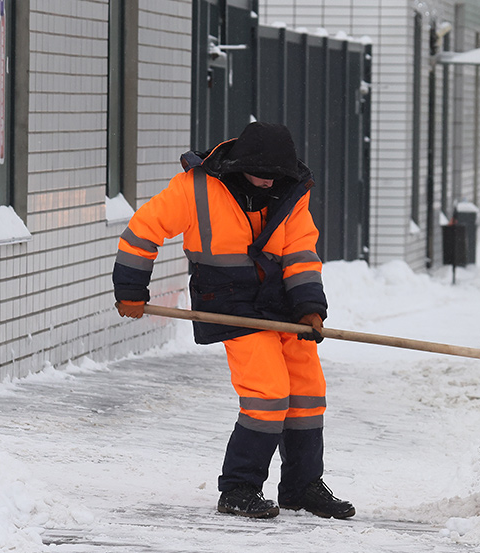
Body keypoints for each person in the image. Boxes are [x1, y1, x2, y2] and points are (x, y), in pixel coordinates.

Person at [112, 122, 355, 520]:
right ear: (242, 165)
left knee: (307, 390)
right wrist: (130, 290)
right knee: (267, 391)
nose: (269, 182)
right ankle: (239, 487)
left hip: (280, 301)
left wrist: (310, 306)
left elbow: (300, 253)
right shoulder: (195, 188)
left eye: (276, 175)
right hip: (228, 301)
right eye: (262, 174)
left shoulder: (291, 190)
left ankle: (302, 486)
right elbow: (142, 231)